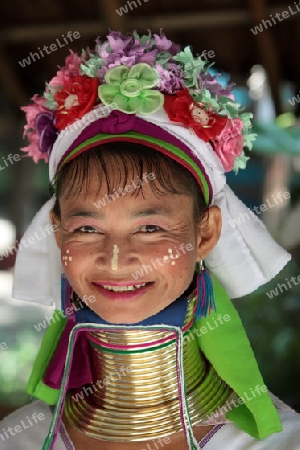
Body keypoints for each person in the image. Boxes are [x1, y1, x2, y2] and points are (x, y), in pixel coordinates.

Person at [1, 30, 300, 449]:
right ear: (57, 231)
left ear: (206, 232)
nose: (116, 260)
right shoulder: (18, 439)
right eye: (87, 228)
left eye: (150, 228)